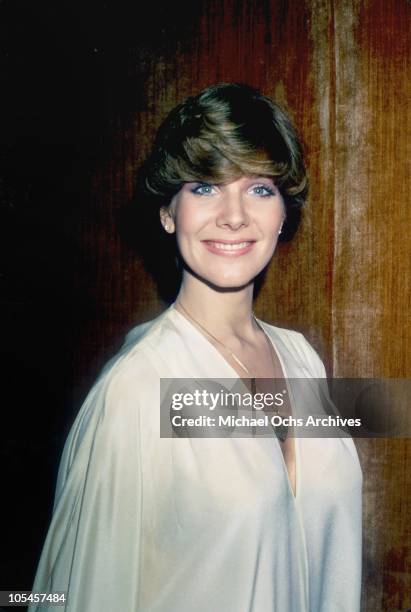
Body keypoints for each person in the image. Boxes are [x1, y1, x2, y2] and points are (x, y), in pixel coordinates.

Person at [29, 83, 362, 611]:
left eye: (259, 189)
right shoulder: (137, 389)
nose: (234, 215)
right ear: (168, 214)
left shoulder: (303, 360)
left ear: (283, 215)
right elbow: (78, 595)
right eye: (205, 187)